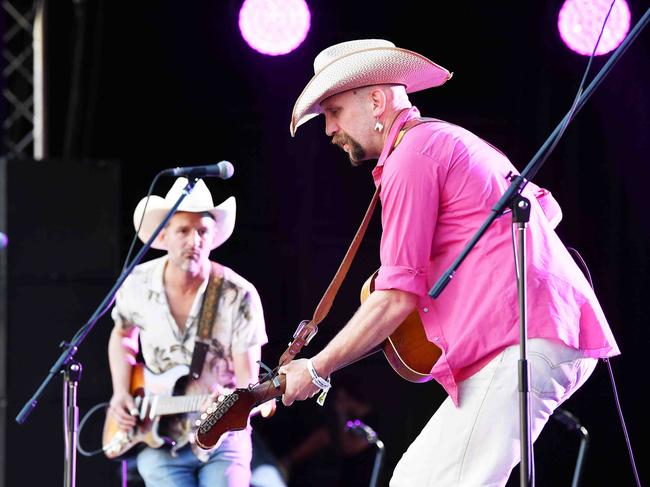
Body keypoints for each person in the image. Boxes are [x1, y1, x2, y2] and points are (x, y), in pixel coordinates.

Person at [278, 39, 620, 486]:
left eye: (334, 111)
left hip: (527, 339)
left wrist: (316, 367)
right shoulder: (444, 139)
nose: (327, 129)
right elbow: (546, 212)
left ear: (377, 101)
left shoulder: (412, 156)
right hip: (545, 330)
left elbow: (395, 299)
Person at [108, 177, 268, 486]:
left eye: (203, 232)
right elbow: (121, 335)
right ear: (164, 235)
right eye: (183, 230)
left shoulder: (239, 294)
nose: (194, 241)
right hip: (156, 439)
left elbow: (250, 381)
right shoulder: (137, 282)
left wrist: (232, 402)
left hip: (224, 440)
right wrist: (120, 392)